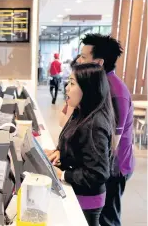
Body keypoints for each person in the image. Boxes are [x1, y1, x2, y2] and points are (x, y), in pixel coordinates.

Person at [60, 34, 134, 226]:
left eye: (84, 57)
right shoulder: (92, 86)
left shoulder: (116, 94)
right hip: (99, 164)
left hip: (114, 167)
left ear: (99, 62)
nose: (78, 60)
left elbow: (109, 144)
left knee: (108, 219)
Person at [46, 63, 115, 226]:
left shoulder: (95, 124)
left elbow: (98, 174)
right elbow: (75, 143)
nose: (67, 88)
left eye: (72, 83)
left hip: (87, 200)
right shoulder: (80, 111)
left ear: (87, 89)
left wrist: (62, 175)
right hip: (78, 191)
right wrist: (59, 152)